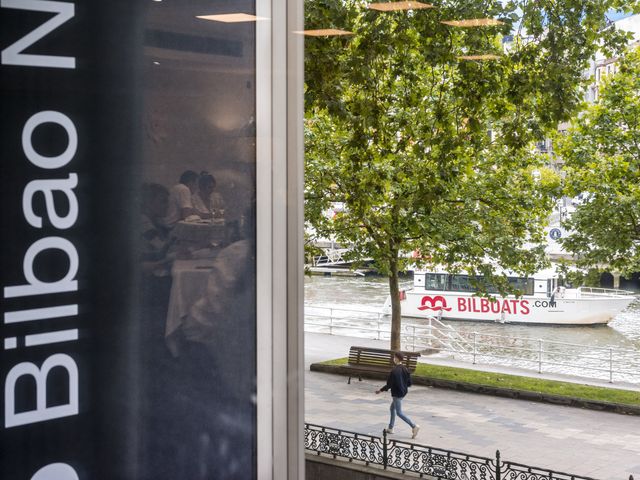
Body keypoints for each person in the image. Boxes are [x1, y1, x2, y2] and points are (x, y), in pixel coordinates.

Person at [376, 352, 420, 438]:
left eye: (394, 357)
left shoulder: (394, 371)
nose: (393, 359)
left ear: (396, 358)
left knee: (399, 413)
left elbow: (389, 385)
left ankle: (414, 426)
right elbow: (410, 383)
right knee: (392, 408)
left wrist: (380, 390)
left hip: (397, 394)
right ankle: (390, 428)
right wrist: (403, 386)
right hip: (403, 392)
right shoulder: (405, 369)